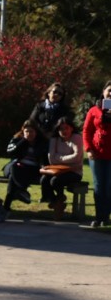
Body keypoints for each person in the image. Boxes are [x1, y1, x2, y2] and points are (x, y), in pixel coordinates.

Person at [40, 116, 84, 221]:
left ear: (71, 128)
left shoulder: (76, 138)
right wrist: (64, 160)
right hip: (57, 170)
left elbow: (77, 157)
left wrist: (59, 158)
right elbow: (51, 159)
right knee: (44, 180)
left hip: (74, 171)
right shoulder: (54, 139)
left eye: (66, 128)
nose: (64, 131)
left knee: (55, 181)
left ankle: (58, 204)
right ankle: (56, 202)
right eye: (61, 129)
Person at [82, 81, 111, 227]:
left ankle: (106, 216)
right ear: (104, 91)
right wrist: (88, 149)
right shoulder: (94, 110)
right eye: (109, 90)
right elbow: (87, 131)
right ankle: (100, 217)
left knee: (109, 187)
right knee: (99, 186)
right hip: (97, 155)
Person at [3, 119, 48, 210]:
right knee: (14, 169)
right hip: (16, 165)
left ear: (36, 132)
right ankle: (22, 192)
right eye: (26, 131)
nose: (29, 134)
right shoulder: (17, 139)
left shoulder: (42, 142)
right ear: (23, 131)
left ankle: (7, 206)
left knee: (13, 177)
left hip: (33, 169)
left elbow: (44, 158)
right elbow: (10, 152)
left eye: (31, 131)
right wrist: (23, 141)